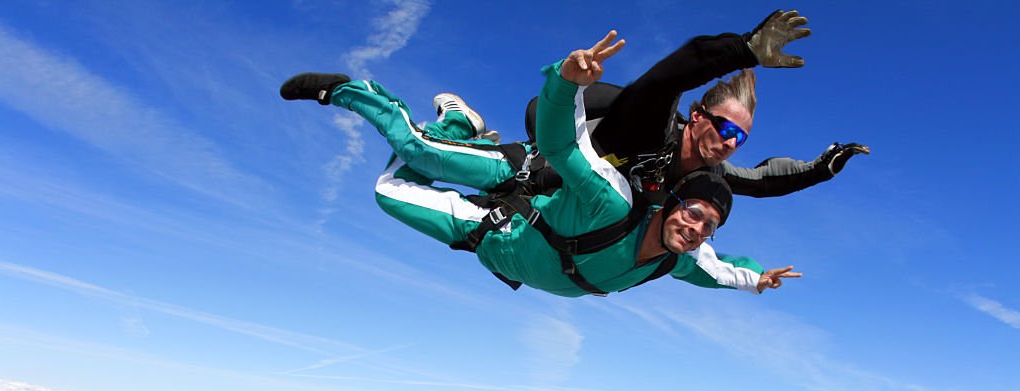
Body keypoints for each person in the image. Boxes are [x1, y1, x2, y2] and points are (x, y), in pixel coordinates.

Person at [279, 33, 801, 298]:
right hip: (524, 172)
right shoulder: (617, 192)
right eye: (693, 214)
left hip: (493, 245)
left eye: (708, 225)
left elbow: (721, 271)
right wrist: (567, 82)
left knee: (388, 191)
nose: (696, 227)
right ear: (696, 116)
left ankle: (459, 125)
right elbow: (563, 142)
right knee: (413, 155)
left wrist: (757, 279)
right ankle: (357, 93)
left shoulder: (676, 256)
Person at [520, 9, 869, 203]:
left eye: (740, 139)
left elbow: (761, 181)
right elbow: (667, 79)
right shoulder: (651, 127)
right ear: (698, 116)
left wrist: (820, 170)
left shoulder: (708, 172)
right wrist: (743, 51)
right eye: (728, 129)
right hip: (537, 179)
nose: (732, 143)